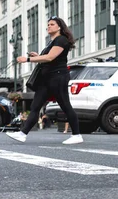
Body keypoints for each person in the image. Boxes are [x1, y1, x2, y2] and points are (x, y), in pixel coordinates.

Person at [6, 17, 83, 145]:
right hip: (46, 79)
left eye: (52, 24)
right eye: (48, 24)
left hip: (58, 77)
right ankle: (22, 133)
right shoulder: (51, 42)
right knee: (35, 106)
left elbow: (50, 57)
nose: (49, 26)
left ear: (59, 27)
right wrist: (37, 56)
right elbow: (48, 58)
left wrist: (28, 60)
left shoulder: (61, 40)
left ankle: (77, 135)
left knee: (65, 105)